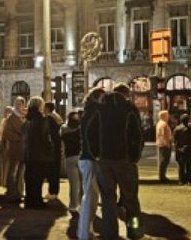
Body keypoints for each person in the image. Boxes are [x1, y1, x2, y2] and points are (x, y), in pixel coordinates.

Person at [87, 91, 144, 240]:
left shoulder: (99, 110)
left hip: (104, 161)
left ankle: (110, 233)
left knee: (107, 200)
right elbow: (137, 134)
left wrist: (96, 153)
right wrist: (134, 156)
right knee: (131, 199)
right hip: (125, 160)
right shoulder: (129, 109)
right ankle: (135, 230)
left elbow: (89, 133)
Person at [78, 88, 104, 240]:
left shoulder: (88, 111)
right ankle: (84, 233)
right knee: (89, 197)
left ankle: (86, 231)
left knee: (91, 197)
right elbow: (90, 136)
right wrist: (96, 154)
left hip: (88, 158)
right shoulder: (94, 112)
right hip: (90, 159)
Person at [22, 96, 56, 209]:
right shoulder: (42, 119)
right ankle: (37, 201)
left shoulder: (27, 120)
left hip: (28, 154)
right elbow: (45, 137)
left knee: (29, 179)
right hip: (40, 154)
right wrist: (50, 148)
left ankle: (29, 200)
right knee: (38, 179)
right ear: (40, 106)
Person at [2, 97, 26, 204]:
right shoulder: (11, 118)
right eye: (16, 103)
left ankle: (19, 192)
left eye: (20, 103)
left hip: (23, 148)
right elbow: (6, 133)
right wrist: (19, 137)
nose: (17, 105)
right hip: (15, 148)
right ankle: (11, 193)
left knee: (20, 172)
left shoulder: (24, 116)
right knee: (12, 172)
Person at [61, 110, 82, 213]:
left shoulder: (64, 129)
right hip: (81, 157)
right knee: (83, 183)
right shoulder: (81, 129)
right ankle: (83, 204)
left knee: (74, 184)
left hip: (69, 157)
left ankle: (73, 205)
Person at [43, 101, 63, 201]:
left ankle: (52, 192)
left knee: (52, 171)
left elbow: (48, 134)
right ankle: (55, 191)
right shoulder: (57, 117)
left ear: (47, 109)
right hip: (58, 147)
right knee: (56, 170)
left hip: (52, 148)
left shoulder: (49, 118)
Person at [173, 114, 191, 185]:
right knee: (188, 165)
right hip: (189, 149)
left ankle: (181, 180)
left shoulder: (177, 129)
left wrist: (179, 147)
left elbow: (175, 140)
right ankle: (189, 180)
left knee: (181, 166)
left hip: (180, 149)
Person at [155, 110, 172, 183]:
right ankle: (162, 176)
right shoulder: (164, 124)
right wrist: (168, 144)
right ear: (163, 116)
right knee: (164, 161)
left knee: (162, 161)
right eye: (167, 115)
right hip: (164, 144)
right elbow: (164, 135)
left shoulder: (159, 123)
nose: (168, 117)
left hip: (160, 143)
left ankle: (162, 176)